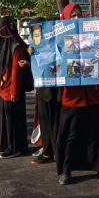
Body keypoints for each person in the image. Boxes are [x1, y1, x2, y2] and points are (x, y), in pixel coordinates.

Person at [55, 4, 99, 185]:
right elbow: (51, 60)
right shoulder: (59, 39)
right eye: (73, 15)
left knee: (96, 132)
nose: (77, 18)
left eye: (79, 15)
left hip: (94, 94)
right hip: (73, 97)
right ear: (66, 19)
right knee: (71, 134)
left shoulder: (93, 36)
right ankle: (66, 170)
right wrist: (35, 51)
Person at [0, 16, 32, 159]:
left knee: (15, 121)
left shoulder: (17, 45)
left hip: (12, 90)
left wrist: (14, 91)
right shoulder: (7, 43)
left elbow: (16, 72)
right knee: (7, 121)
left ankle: (16, 148)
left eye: (0, 28)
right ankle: (7, 145)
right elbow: (0, 67)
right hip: (5, 89)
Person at [28, 17, 61, 166]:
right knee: (46, 122)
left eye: (38, 30)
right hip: (42, 87)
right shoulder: (34, 43)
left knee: (53, 121)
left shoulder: (56, 40)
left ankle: (53, 152)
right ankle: (49, 150)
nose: (36, 34)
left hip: (55, 87)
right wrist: (30, 54)